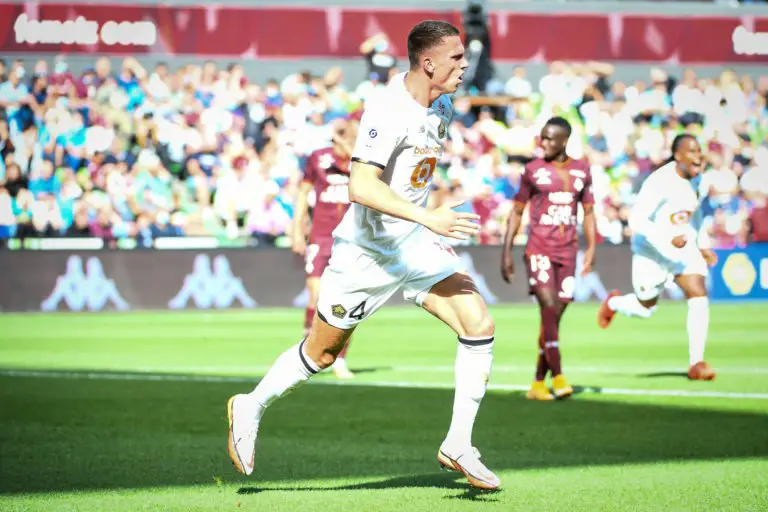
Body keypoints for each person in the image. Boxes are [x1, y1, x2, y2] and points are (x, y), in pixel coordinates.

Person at [227, 20, 501, 491]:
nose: (465, 65)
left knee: (478, 323)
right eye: (456, 58)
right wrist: (428, 216)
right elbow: (360, 185)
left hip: (412, 242)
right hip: (366, 252)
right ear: (428, 63)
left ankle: (458, 443)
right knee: (322, 353)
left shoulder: (442, 103)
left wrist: (423, 221)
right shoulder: (388, 109)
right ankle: (251, 405)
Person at [597, 134, 718, 381]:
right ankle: (614, 303)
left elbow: (694, 214)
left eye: (699, 150)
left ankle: (696, 362)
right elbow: (636, 220)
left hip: (682, 249)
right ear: (678, 156)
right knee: (646, 307)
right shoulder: (659, 183)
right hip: (650, 250)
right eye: (691, 151)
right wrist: (667, 239)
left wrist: (703, 244)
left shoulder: (700, 180)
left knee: (698, 293)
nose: (698, 156)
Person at [500, 117, 597, 401]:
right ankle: (559, 375)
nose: (543, 143)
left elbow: (589, 212)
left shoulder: (582, 170)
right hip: (539, 247)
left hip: (568, 250)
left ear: (564, 141)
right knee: (549, 305)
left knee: (553, 316)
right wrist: (506, 251)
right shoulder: (532, 170)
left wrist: (592, 248)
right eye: (541, 137)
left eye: (549, 138)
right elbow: (517, 211)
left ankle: (537, 383)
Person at [291, 118, 359, 379]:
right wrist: (297, 229)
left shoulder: (363, 158)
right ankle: (308, 349)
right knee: (315, 295)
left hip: (352, 238)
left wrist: (346, 144)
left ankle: (340, 358)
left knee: (347, 300)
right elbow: (303, 193)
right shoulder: (318, 158)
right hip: (321, 236)